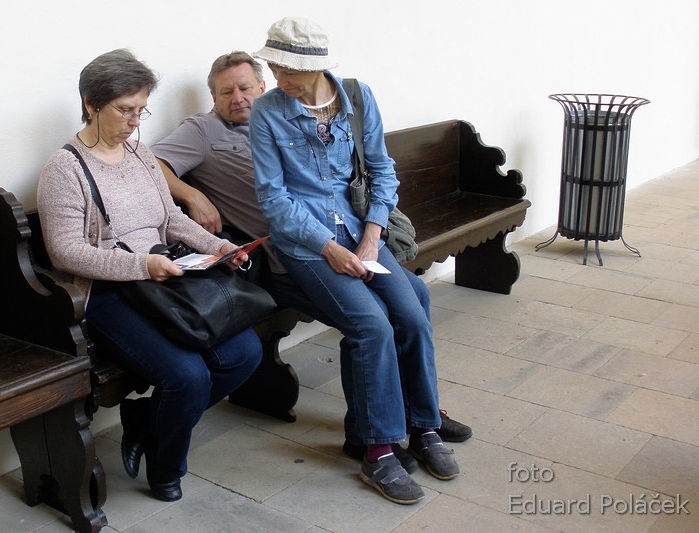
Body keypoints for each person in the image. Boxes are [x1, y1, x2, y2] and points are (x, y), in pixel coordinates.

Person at [149, 51, 472, 472]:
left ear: (263, 86)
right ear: (213, 97)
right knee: (371, 319)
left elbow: (360, 167)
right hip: (285, 258)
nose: (237, 97)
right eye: (225, 92)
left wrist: (367, 234)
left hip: (340, 236)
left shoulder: (289, 113)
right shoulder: (202, 131)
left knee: (414, 300)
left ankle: (417, 417)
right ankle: (372, 436)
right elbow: (150, 163)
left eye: (245, 87)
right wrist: (193, 194)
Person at [249, 17, 461, 505]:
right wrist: (330, 247)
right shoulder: (268, 112)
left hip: (362, 232)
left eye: (289, 69)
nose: (280, 77)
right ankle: (377, 451)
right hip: (306, 244)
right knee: (371, 326)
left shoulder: (357, 97)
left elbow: (382, 169)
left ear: (317, 66)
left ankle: (423, 427)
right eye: (275, 67)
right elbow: (274, 199)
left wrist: (371, 236)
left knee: (412, 314)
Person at [36, 49, 262, 503]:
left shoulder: (140, 154)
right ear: (90, 104)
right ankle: (166, 467)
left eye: (141, 109)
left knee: (244, 353)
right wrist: (142, 265)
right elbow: (65, 253)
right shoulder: (65, 169)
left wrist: (218, 248)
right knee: (188, 377)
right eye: (125, 110)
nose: (135, 121)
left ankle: (145, 421)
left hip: (165, 278)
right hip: (109, 294)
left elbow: (171, 219)